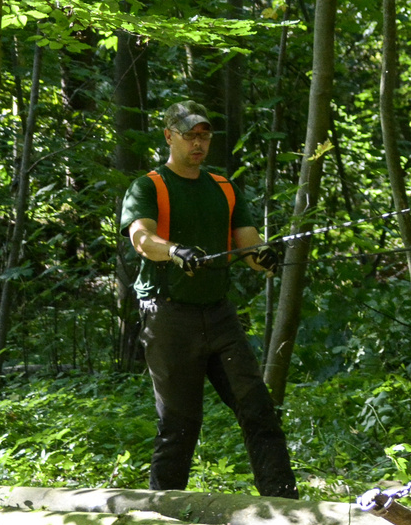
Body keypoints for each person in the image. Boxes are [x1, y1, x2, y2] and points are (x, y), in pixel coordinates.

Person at [119, 101, 299, 498]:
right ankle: (161, 511)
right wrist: (175, 251)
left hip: (219, 317)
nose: (198, 143)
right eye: (189, 135)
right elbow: (141, 238)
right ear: (169, 136)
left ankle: (284, 503)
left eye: (204, 135)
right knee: (180, 423)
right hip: (167, 316)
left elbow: (248, 246)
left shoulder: (224, 187)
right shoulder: (149, 186)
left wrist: (263, 257)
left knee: (258, 411)